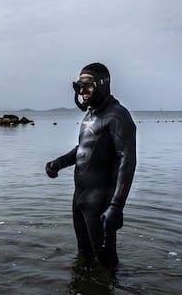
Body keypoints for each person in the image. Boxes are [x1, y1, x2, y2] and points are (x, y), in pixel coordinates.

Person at [45, 62, 136, 267]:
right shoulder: (90, 116)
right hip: (80, 198)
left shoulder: (118, 115)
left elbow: (127, 162)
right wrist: (59, 163)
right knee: (84, 256)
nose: (83, 91)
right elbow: (84, 149)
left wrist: (116, 206)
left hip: (101, 202)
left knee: (107, 262)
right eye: (79, 86)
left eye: (88, 85)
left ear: (103, 85)